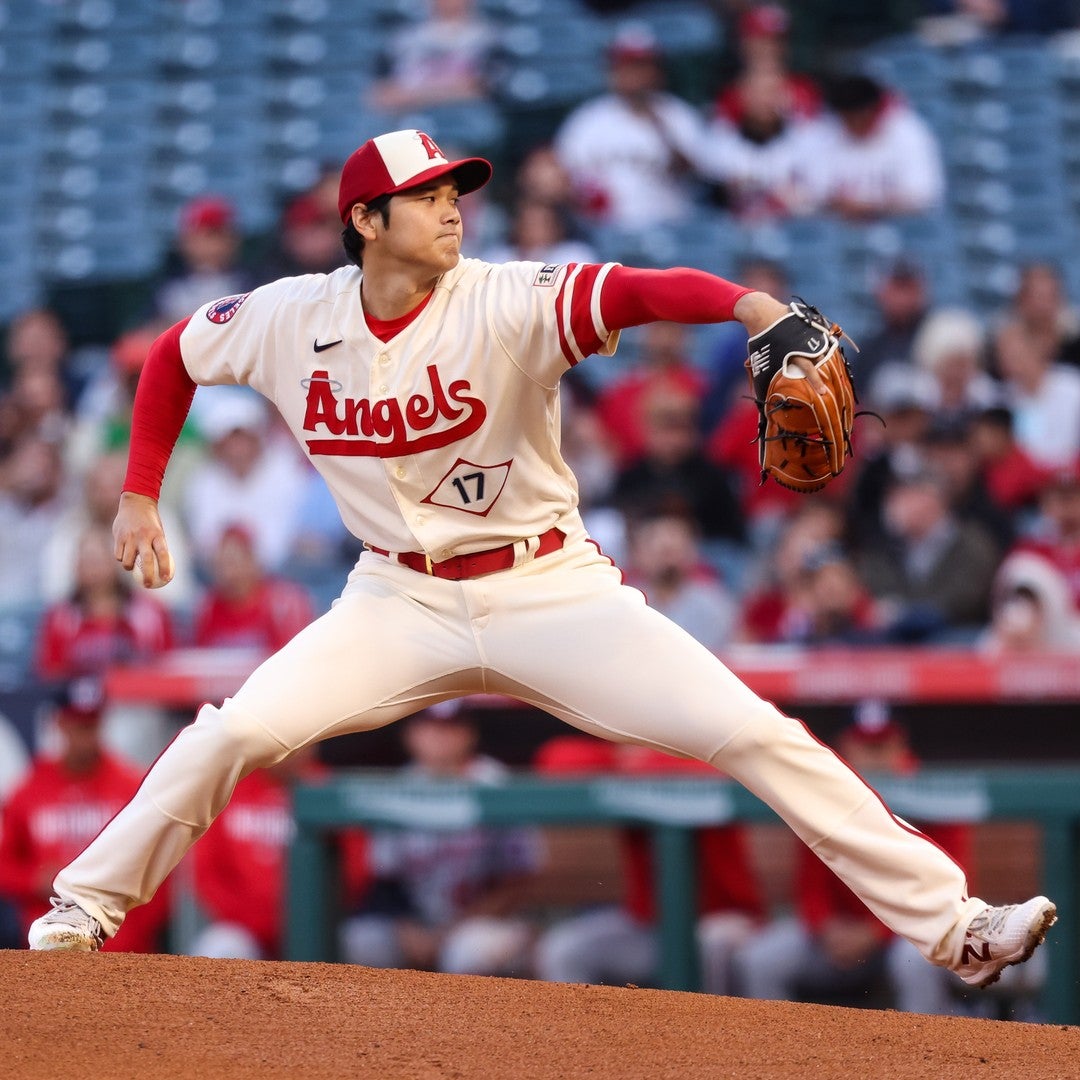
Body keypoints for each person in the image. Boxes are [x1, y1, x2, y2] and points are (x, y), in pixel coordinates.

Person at [30, 127, 1055, 999]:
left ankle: (955, 925)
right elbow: (172, 354)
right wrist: (140, 488)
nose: (452, 208)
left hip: (549, 589)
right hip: (394, 597)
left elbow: (638, 292)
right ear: (365, 222)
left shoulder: (508, 297)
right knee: (235, 730)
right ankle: (83, 905)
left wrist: (750, 307)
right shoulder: (292, 316)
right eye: (425, 196)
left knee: (756, 734)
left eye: (455, 191)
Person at [733, 702, 975, 1015]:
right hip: (836, 935)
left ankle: (928, 1047)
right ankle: (774, 1045)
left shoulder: (930, 794)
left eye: (882, 745)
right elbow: (811, 886)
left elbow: (946, 893)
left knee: (915, 961)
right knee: (761, 960)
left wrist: (875, 932)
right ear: (845, 746)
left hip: (907, 934)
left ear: (901, 745)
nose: (875, 756)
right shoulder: (826, 791)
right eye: (865, 745)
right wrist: (826, 928)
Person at [533, 736, 765, 995]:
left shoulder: (699, 753)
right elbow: (556, 760)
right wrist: (626, 757)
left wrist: (641, 759)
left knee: (709, 947)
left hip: (727, 918)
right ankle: (579, 1025)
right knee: (565, 949)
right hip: (647, 927)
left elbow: (717, 769)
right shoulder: (623, 759)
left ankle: (708, 1023)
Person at [339, 701, 542, 976]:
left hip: (482, 922)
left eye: (451, 727)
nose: (440, 737)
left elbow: (518, 880)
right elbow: (386, 881)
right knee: (361, 940)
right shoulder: (398, 787)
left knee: (470, 952)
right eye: (430, 726)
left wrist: (453, 930)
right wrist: (406, 928)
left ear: (470, 734)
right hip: (417, 923)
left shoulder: (495, 784)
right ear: (411, 735)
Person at [0, 679, 170, 953]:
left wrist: (138, 934)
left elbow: (160, 864)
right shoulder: (29, 790)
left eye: (92, 725)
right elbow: (5, 867)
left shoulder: (132, 787)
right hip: (48, 943)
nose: (85, 737)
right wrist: (34, 880)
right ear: (60, 723)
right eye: (78, 726)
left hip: (121, 942)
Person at [189, 745, 369, 960]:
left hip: (321, 926)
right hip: (245, 930)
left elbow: (356, 870)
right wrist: (259, 921)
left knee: (365, 944)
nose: (293, 750)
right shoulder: (230, 786)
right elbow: (205, 871)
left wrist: (311, 918)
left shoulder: (327, 786)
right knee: (220, 948)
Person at [553, 24, 714, 230]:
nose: (634, 75)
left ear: (657, 71)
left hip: (668, 228)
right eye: (626, 66)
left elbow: (700, 177)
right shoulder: (587, 120)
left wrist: (661, 130)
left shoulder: (678, 116)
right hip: (602, 230)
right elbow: (561, 176)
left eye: (642, 66)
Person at [803, 73, 946, 221]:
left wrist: (871, 206)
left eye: (860, 118)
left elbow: (924, 196)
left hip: (898, 227)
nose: (855, 125)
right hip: (838, 227)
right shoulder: (823, 131)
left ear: (874, 111)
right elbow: (811, 193)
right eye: (848, 119)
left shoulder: (909, 132)